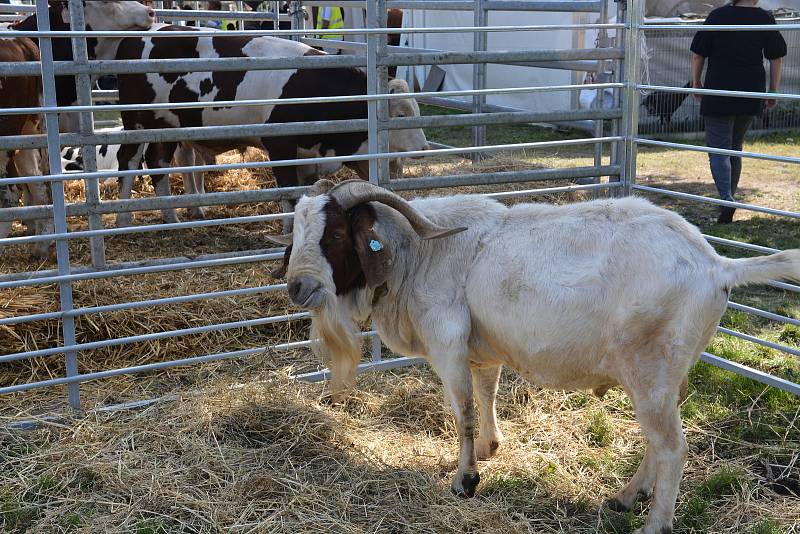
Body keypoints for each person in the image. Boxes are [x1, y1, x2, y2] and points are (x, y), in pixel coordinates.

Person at [690, 0, 786, 223]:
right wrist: (772, 91)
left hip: (719, 89)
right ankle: (728, 200)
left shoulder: (717, 16)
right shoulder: (765, 18)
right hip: (751, 91)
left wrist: (696, 82)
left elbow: (697, 54)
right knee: (735, 147)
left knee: (719, 149)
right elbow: (776, 58)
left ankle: (726, 199)